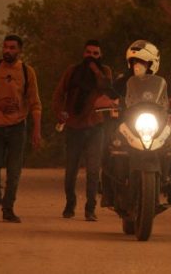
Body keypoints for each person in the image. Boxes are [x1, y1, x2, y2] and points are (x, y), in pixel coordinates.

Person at [106, 40, 171, 239]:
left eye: (141, 61)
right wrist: (110, 103)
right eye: (133, 61)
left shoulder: (161, 82)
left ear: (152, 63)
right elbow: (109, 95)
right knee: (111, 149)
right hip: (130, 127)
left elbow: (168, 101)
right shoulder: (123, 81)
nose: (136, 65)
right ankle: (108, 192)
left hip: (154, 127)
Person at [0, 34, 42, 223]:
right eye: (5, 47)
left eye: (12, 48)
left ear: (19, 50)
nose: (7, 51)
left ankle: (8, 208)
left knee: (14, 171)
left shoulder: (26, 72)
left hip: (17, 127)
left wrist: (36, 130)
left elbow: (35, 103)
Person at [51, 39, 113, 221]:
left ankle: (90, 208)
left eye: (95, 54)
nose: (91, 56)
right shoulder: (72, 71)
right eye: (88, 53)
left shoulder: (105, 72)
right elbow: (58, 94)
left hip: (95, 127)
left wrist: (94, 70)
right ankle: (70, 204)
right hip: (74, 126)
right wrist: (60, 112)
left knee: (94, 170)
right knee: (71, 171)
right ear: (83, 53)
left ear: (100, 56)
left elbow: (107, 88)